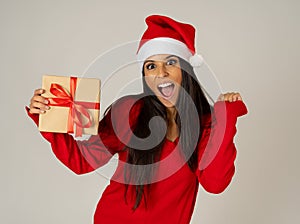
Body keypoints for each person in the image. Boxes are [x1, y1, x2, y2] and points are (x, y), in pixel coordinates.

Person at [27, 15, 247, 224]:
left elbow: (215, 183)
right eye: (151, 66)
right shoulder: (130, 111)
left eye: (170, 62)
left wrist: (225, 117)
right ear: (145, 75)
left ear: (186, 69)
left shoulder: (206, 124)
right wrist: (49, 116)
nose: (161, 72)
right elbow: (82, 161)